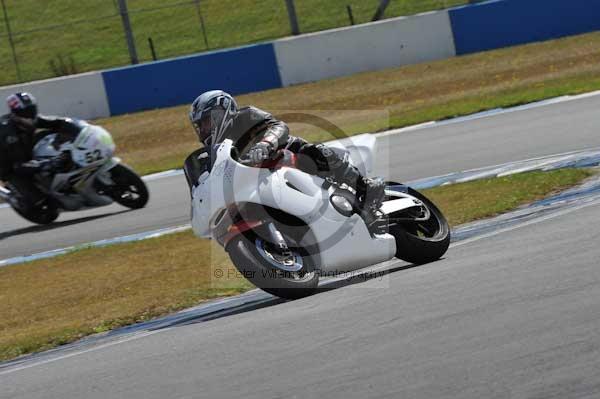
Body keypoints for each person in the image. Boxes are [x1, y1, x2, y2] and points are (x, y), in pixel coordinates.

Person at [188, 90, 386, 225]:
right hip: (259, 184)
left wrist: (265, 144)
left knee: (314, 153)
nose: (204, 129)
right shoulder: (214, 151)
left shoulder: (246, 115)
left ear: (223, 111)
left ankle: (365, 187)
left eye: (207, 122)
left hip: (285, 155)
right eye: (200, 126)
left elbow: (278, 126)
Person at [0, 92, 87, 210]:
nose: (30, 114)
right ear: (15, 114)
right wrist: (46, 164)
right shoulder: (9, 134)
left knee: (52, 135)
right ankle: (16, 197)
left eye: (31, 109)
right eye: (25, 112)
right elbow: (19, 165)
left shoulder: (32, 119)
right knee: (39, 201)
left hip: (25, 148)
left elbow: (58, 122)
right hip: (9, 165)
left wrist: (82, 129)